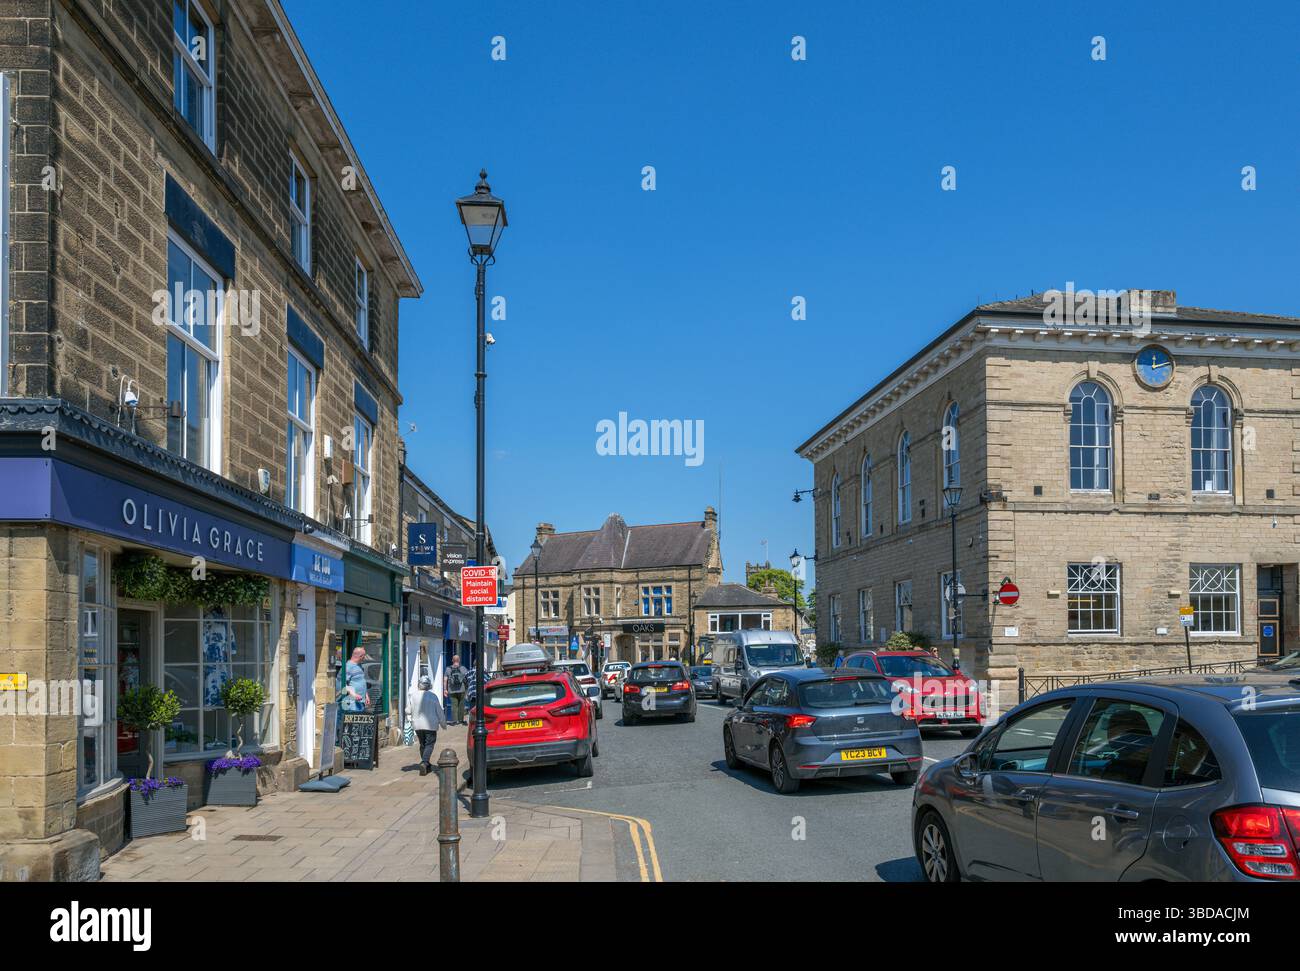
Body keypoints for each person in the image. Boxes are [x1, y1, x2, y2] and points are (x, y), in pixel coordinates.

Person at [406, 645, 447, 777]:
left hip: (417, 725)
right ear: (429, 685)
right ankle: (424, 762)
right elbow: (439, 712)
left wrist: (409, 718)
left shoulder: (413, 695)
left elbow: (407, 710)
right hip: (430, 725)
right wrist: (443, 724)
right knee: (429, 744)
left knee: (422, 744)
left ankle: (426, 764)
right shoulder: (433, 696)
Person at [342, 646, 369, 712]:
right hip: (352, 702)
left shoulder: (359, 665)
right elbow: (342, 684)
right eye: (364, 656)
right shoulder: (348, 666)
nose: (364, 658)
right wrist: (353, 694)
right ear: (360, 656)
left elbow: (361, 681)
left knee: (359, 722)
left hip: (361, 701)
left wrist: (366, 695)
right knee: (353, 722)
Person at [445, 654, 469, 725]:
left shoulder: (448, 668)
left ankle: (455, 721)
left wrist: (445, 690)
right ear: (459, 660)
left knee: (454, 705)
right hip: (462, 689)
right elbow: (467, 678)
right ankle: (460, 720)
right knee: (461, 705)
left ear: (452, 660)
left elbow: (445, 680)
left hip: (451, 690)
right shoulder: (463, 668)